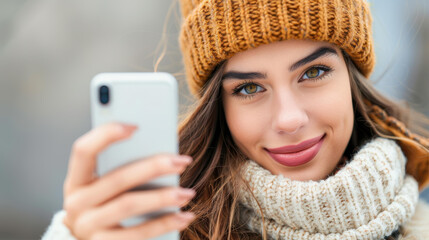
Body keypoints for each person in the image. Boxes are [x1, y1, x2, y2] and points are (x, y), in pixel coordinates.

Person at [42, 0, 429, 239]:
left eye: (313, 73)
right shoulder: (166, 231)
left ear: (351, 77)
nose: (290, 120)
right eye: (248, 89)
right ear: (219, 106)